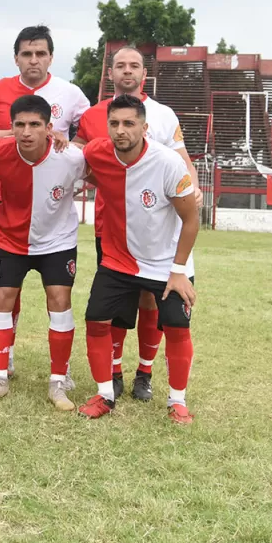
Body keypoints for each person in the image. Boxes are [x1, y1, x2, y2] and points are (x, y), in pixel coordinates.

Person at [74, 46, 202, 402]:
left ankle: (146, 374)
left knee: (154, 303)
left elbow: (181, 161)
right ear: (110, 73)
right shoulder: (92, 117)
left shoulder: (163, 116)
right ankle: (111, 378)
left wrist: (191, 189)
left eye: (134, 65)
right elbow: (78, 158)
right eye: (120, 65)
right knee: (110, 308)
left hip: (159, 237)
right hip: (112, 230)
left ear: (144, 72)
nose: (127, 71)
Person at [0, 25, 90, 380]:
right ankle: (5, 360)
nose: (33, 60)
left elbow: (89, 135)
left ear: (50, 57)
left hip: (53, 200)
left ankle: (62, 371)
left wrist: (66, 143)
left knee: (58, 296)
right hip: (9, 200)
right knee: (5, 292)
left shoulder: (71, 93)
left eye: (40, 53)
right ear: (16, 57)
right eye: (27, 54)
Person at [0, 95, 86, 411]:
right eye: (20, 125)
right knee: (1, 300)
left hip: (57, 242)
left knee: (60, 303)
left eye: (35, 125)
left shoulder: (72, 159)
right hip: (11, 240)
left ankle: (58, 382)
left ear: (49, 128)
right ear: (11, 127)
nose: (26, 132)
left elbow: (99, 173)